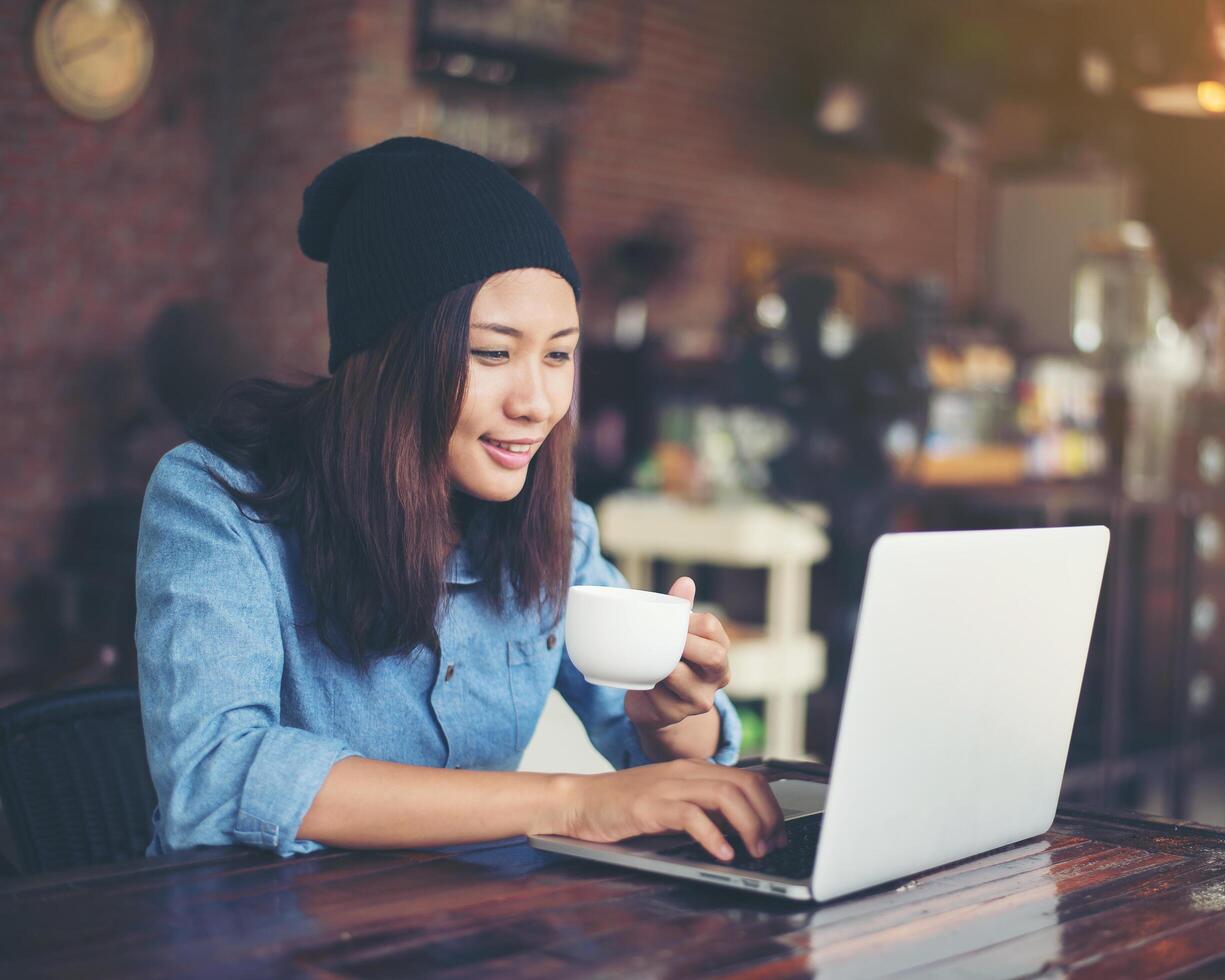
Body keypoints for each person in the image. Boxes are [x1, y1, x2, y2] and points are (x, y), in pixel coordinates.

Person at [135, 138, 785, 865]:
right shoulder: (216, 502)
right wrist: (569, 803)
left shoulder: (555, 533)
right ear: (389, 358)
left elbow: (662, 761)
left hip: (464, 932)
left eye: (559, 354)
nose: (537, 403)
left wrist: (675, 716)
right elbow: (215, 779)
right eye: (493, 353)